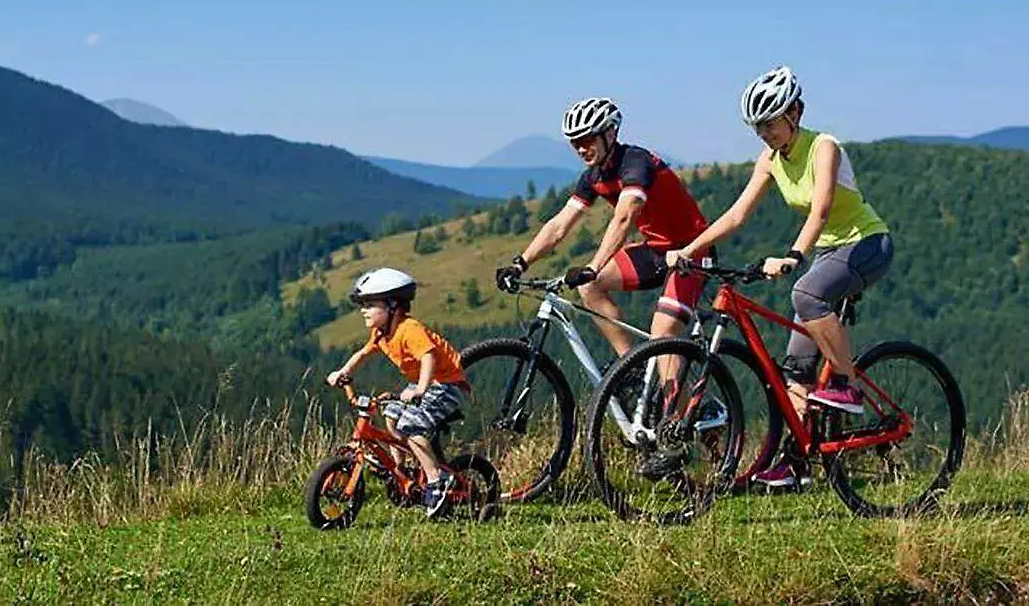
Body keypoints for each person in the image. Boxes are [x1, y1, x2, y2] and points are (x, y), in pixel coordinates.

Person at [666, 65, 894, 489]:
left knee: (806, 292)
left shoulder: (824, 147)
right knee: (796, 367)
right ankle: (796, 464)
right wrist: (690, 249)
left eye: (770, 123)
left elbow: (822, 209)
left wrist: (793, 255)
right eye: (758, 127)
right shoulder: (770, 160)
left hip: (867, 244)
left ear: (794, 113)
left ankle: (848, 386)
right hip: (827, 252)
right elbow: (736, 214)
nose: (765, 133)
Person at [495, 97, 714, 358]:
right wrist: (521, 262)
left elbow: (624, 217)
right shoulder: (594, 176)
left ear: (610, 133)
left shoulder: (636, 163)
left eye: (587, 140)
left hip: (692, 251)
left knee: (662, 339)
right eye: (575, 143)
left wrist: (593, 266)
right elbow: (559, 225)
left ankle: (674, 399)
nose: (581, 148)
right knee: (590, 287)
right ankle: (630, 366)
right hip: (656, 251)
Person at [327, 267, 469, 517]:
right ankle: (401, 471)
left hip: (446, 384)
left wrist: (421, 390)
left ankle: (436, 481)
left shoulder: (408, 328)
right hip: (424, 384)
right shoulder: (381, 332)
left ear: (393, 305)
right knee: (391, 415)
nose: (363, 310)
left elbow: (428, 357)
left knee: (411, 426)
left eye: (370, 304)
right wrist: (343, 372)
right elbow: (363, 354)